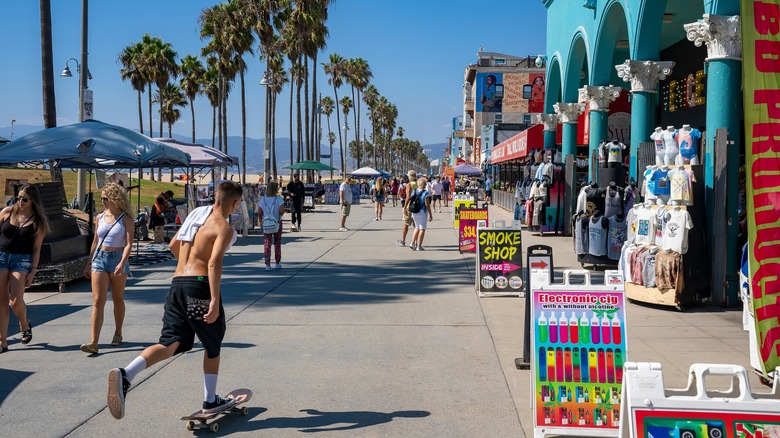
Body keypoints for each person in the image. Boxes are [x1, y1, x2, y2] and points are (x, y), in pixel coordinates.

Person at [107, 182, 244, 420]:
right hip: (199, 286)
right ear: (234, 203)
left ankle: (126, 373)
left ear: (216, 198)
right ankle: (210, 400)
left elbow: (173, 246)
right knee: (213, 344)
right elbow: (213, 263)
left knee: (171, 342)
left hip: (177, 284)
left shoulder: (195, 216)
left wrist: (188, 269)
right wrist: (212, 299)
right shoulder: (224, 228)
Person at [81, 183, 135, 354]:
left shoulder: (126, 218)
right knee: (98, 301)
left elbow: (128, 244)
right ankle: (93, 342)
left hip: (118, 258)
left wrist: (122, 262)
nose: (103, 201)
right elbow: (96, 241)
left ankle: (118, 332)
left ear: (115, 199)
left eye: (106, 198)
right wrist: (89, 262)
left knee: (118, 298)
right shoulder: (99, 217)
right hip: (100, 258)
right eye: (102, 198)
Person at [0, 185, 49, 352]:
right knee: (1, 301)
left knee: (15, 301)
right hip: (1, 256)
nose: (20, 201)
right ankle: (3, 342)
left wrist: (33, 271)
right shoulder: (7, 212)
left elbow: (36, 249)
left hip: (22, 260)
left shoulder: (38, 221)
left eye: (24, 199)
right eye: (18, 198)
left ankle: (24, 323)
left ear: (33, 201)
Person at [258, 181, 285, 271]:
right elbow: (282, 211)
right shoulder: (279, 199)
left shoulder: (263, 199)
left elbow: (259, 212)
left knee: (267, 243)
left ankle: (267, 264)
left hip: (266, 224)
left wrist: (261, 221)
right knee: (277, 243)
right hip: (276, 223)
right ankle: (277, 263)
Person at [409, 177, 433, 251]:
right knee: (422, 228)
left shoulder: (414, 191)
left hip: (414, 211)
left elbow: (411, 200)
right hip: (422, 212)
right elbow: (427, 204)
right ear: (425, 184)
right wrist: (430, 214)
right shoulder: (425, 193)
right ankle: (419, 246)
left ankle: (412, 243)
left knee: (416, 227)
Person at [395, 170, 418, 247]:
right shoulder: (418, 183)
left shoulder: (409, 184)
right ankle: (415, 242)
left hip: (410, 206)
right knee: (416, 225)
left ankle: (403, 241)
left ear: (410, 176)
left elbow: (408, 197)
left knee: (406, 224)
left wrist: (404, 207)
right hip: (417, 206)